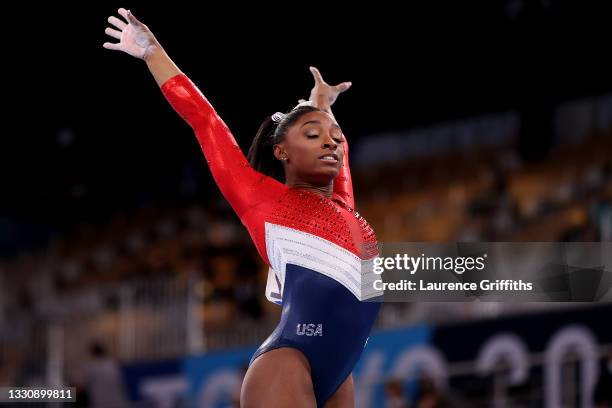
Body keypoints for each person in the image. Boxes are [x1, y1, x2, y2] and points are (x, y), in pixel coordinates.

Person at [104, 8, 381, 407]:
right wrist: (153, 54)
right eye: (313, 134)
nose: (332, 142)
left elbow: (339, 151)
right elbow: (206, 122)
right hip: (289, 361)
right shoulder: (260, 198)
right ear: (281, 150)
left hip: (339, 372)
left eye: (335, 136)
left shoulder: (344, 205)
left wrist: (320, 103)